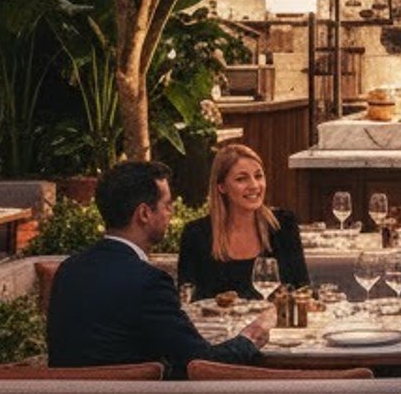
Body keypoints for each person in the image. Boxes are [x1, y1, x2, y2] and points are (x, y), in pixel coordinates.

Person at [48, 161, 269, 376]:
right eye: (167, 205)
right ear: (144, 213)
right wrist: (248, 339)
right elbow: (201, 364)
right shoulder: (148, 282)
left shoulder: (69, 270)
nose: (171, 213)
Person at [177, 142, 309, 303]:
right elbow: (187, 300)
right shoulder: (196, 234)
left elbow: (303, 290)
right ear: (222, 187)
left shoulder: (283, 224)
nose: (254, 186)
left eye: (258, 176)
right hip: (218, 327)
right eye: (241, 179)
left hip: (276, 326)